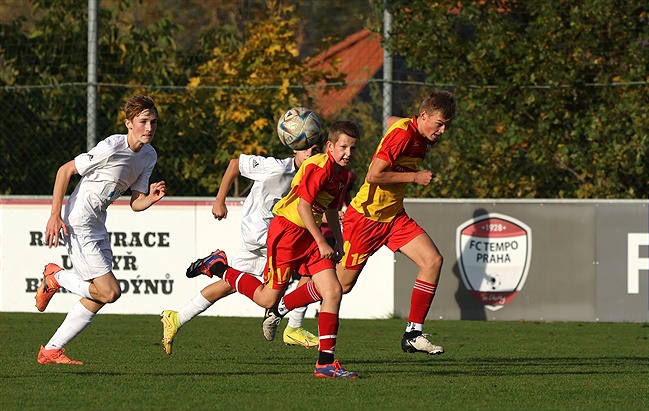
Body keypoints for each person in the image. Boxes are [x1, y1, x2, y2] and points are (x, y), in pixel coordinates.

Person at [265, 91, 457, 356]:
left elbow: (392, 120)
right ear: (423, 116)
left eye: (446, 125)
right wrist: (415, 176)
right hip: (366, 219)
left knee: (432, 260)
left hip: (393, 217)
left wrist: (399, 125)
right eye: (439, 124)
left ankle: (412, 333)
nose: (442, 130)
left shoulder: (414, 131)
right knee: (341, 286)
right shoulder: (403, 136)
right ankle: (281, 307)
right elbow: (373, 174)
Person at [190, 120, 361, 378]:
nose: (348, 153)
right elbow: (303, 207)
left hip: (308, 235)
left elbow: (331, 209)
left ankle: (325, 363)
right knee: (267, 298)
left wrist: (338, 242)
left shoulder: (339, 174)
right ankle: (218, 266)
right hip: (288, 233)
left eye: (353, 148)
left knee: (333, 290)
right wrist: (322, 241)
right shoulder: (320, 168)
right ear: (330, 146)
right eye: (343, 147)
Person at [34, 94, 167, 364]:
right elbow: (64, 171)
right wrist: (54, 215)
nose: (150, 128)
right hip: (79, 220)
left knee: (99, 295)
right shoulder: (111, 146)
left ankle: (51, 350)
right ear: (129, 123)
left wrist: (150, 199)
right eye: (143, 121)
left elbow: (135, 203)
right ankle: (56, 277)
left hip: (97, 225)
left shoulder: (149, 156)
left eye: (153, 121)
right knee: (109, 292)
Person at [160, 140, 322, 355]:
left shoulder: (312, 175)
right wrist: (220, 200)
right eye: (307, 149)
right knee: (312, 259)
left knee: (231, 283)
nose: (312, 154)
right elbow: (236, 163)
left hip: (270, 235)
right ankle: (293, 325)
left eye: (316, 150)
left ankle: (177, 318)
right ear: (294, 148)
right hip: (261, 231)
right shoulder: (276, 167)